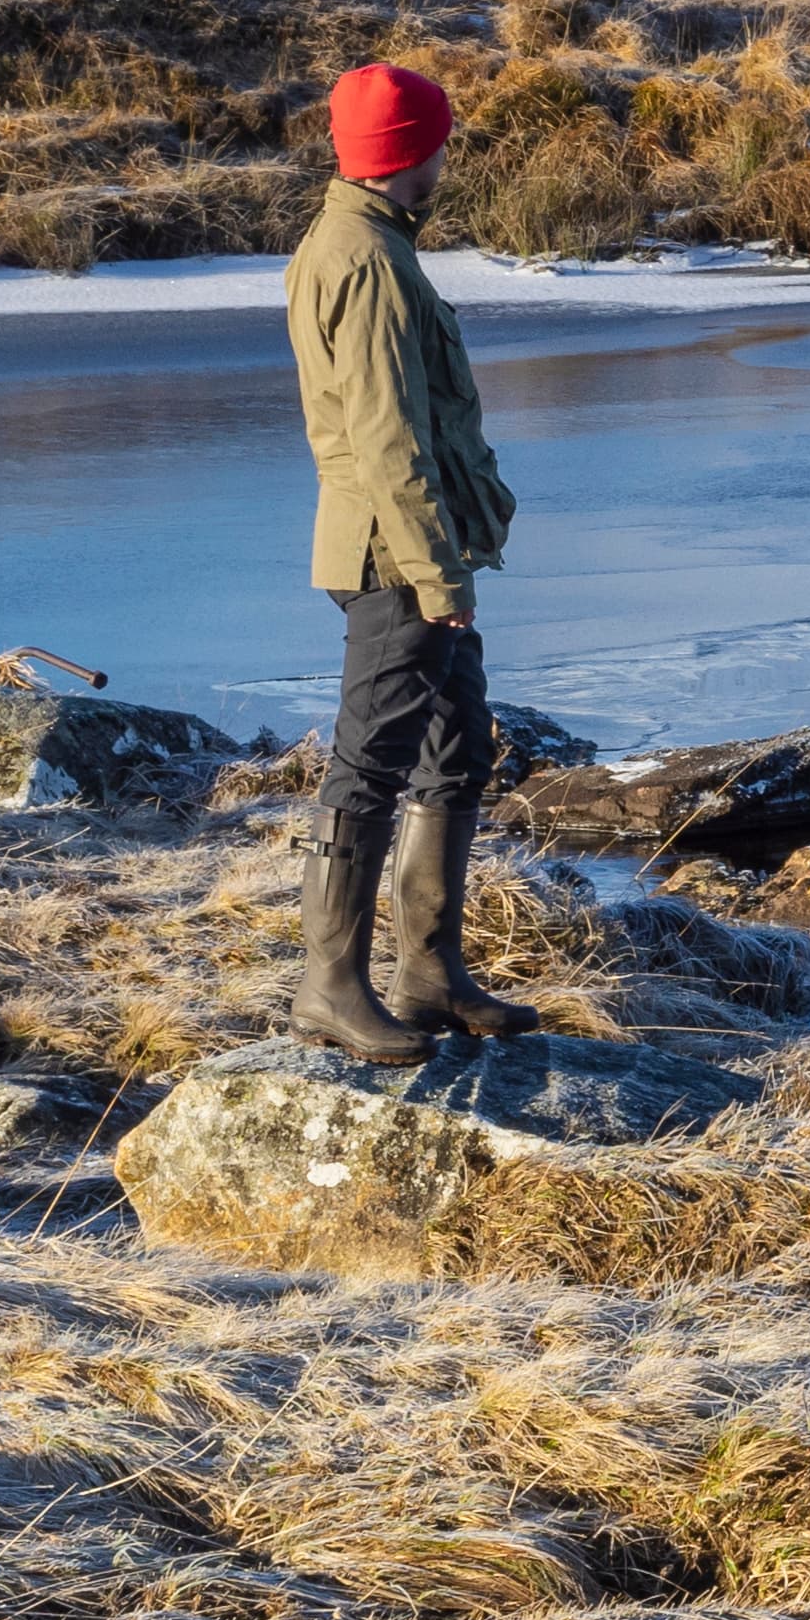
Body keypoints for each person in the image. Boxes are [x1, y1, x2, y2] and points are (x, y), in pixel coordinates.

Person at [283, 54, 516, 1051]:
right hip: (391, 558)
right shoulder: (367, 260)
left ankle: (427, 972)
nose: (446, 158)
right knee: (369, 765)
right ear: (405, 153)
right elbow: (387, 440)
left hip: (402, 549)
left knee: (453, 744)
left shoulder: (370, 240)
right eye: (438, 143)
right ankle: (329, 986)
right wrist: (437, 574)